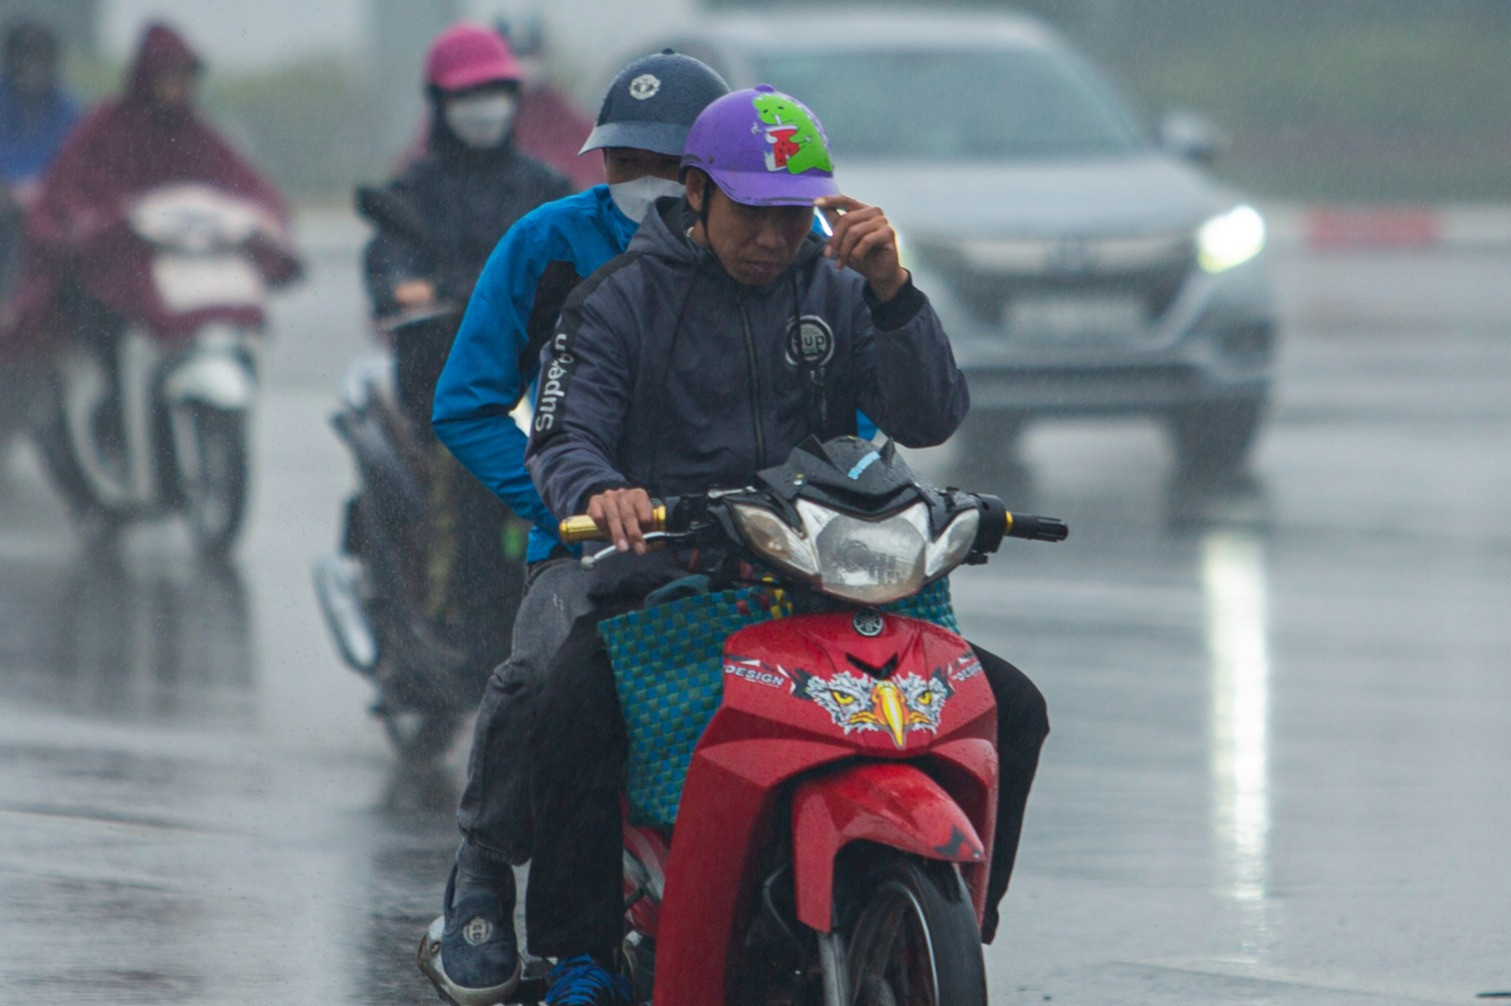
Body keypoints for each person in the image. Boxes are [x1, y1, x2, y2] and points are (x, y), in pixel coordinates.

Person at [520, 86, 1049, 1003]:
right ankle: (580, 958)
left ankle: (945, 918)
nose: (773, 237)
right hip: (672, 588)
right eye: (752, 213)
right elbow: (563, 435)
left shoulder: (842, 292)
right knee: (569, 705)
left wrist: (893, 291)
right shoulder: (617, 301)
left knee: (1014, 706)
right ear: (695, 193)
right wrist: (601, 490)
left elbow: (929, 417)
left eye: (791, 213)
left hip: (830, 584)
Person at [418, 50, 730, 1006]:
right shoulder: (548, 245)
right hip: (587, 544)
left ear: (710, 179)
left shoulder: (767, 254)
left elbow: (850, 410)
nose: (639, 182)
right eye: (620, 160)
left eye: (664, 164)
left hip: (739, 537)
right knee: (545, 676)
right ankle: (482, 867)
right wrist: (564, 506)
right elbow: (467, 402)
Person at [361, 22, 571, 673]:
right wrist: (405, 289)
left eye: (496, 91)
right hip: (445, 383)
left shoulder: (546, 187)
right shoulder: (414, 194)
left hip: (543, 383)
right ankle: (454, 618)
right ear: (440, 104)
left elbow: (589, 257)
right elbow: (388, 264)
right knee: (472, 481)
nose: (484, 106)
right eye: (468, 94)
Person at [0, 22, 296, 401]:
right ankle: (110, 409)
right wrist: (93, 224)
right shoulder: (104, 128)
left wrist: (268, 219)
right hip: (109, 269)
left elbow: (246, 186)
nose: (178, 88)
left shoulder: (198, 135)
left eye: (185, 78)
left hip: (175, 268)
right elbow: (67, 193)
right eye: (169, 77)